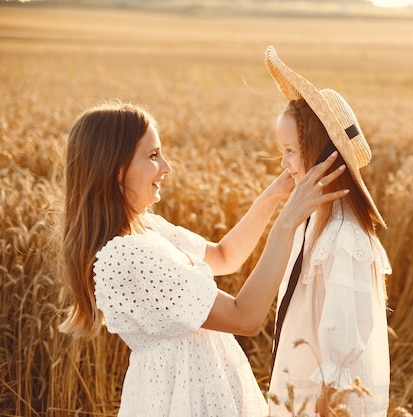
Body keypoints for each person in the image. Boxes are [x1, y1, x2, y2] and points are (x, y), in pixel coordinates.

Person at [57, 101, 349, 417]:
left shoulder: (147, 227)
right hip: (183, 400)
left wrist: (275, 195)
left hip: (203, 389)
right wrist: (287, 221)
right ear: (116, 170)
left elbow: (225, 256)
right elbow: (245, 318)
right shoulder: (130, 255)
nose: (166, 167)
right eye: (153, 156)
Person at [265, 46, 392, 417]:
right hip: (299, 384)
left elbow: (347, 336)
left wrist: (328, 403)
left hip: (324, 402)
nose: (283, 163)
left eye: (289, 151)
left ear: (323, 157)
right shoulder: (313, 223)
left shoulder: (343, 237)